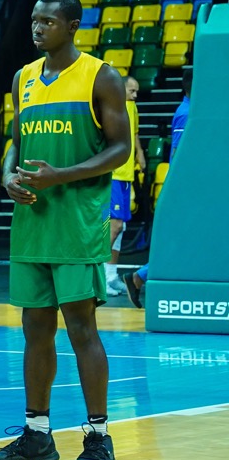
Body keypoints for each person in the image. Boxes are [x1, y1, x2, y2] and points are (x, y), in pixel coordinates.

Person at [0, 0, 130, 460]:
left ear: (72, 26)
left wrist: (60, 177)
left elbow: (120, 150)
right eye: (34, 19)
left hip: (75, 224)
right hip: (31, 225)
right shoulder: (23, 79)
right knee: (34, 331)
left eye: (48, 21)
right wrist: (9, 175)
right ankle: (37, 435)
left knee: (82, 329)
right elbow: (16, 144)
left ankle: (97, 437)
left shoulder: (100, 76)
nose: (38, 27)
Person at [124, 66, 192, 307]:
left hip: (189, 190)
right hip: (184, 191)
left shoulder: (195, 111)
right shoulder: (186, 113)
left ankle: (140, 277)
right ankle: (139, 277)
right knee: (187, 243)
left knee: (188, 244)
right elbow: (178, 154)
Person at [105, 75, 144, 295]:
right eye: (132, 91)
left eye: (137, 91)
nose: (135, 95)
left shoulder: (133, 108)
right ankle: (98, 278)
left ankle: (111, 276)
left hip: (126, 176)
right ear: (121, 90)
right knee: (114, 226)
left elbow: (134, 133)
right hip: (113, 174)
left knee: (121, 229)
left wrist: (139, 154)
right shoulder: (111, 108)